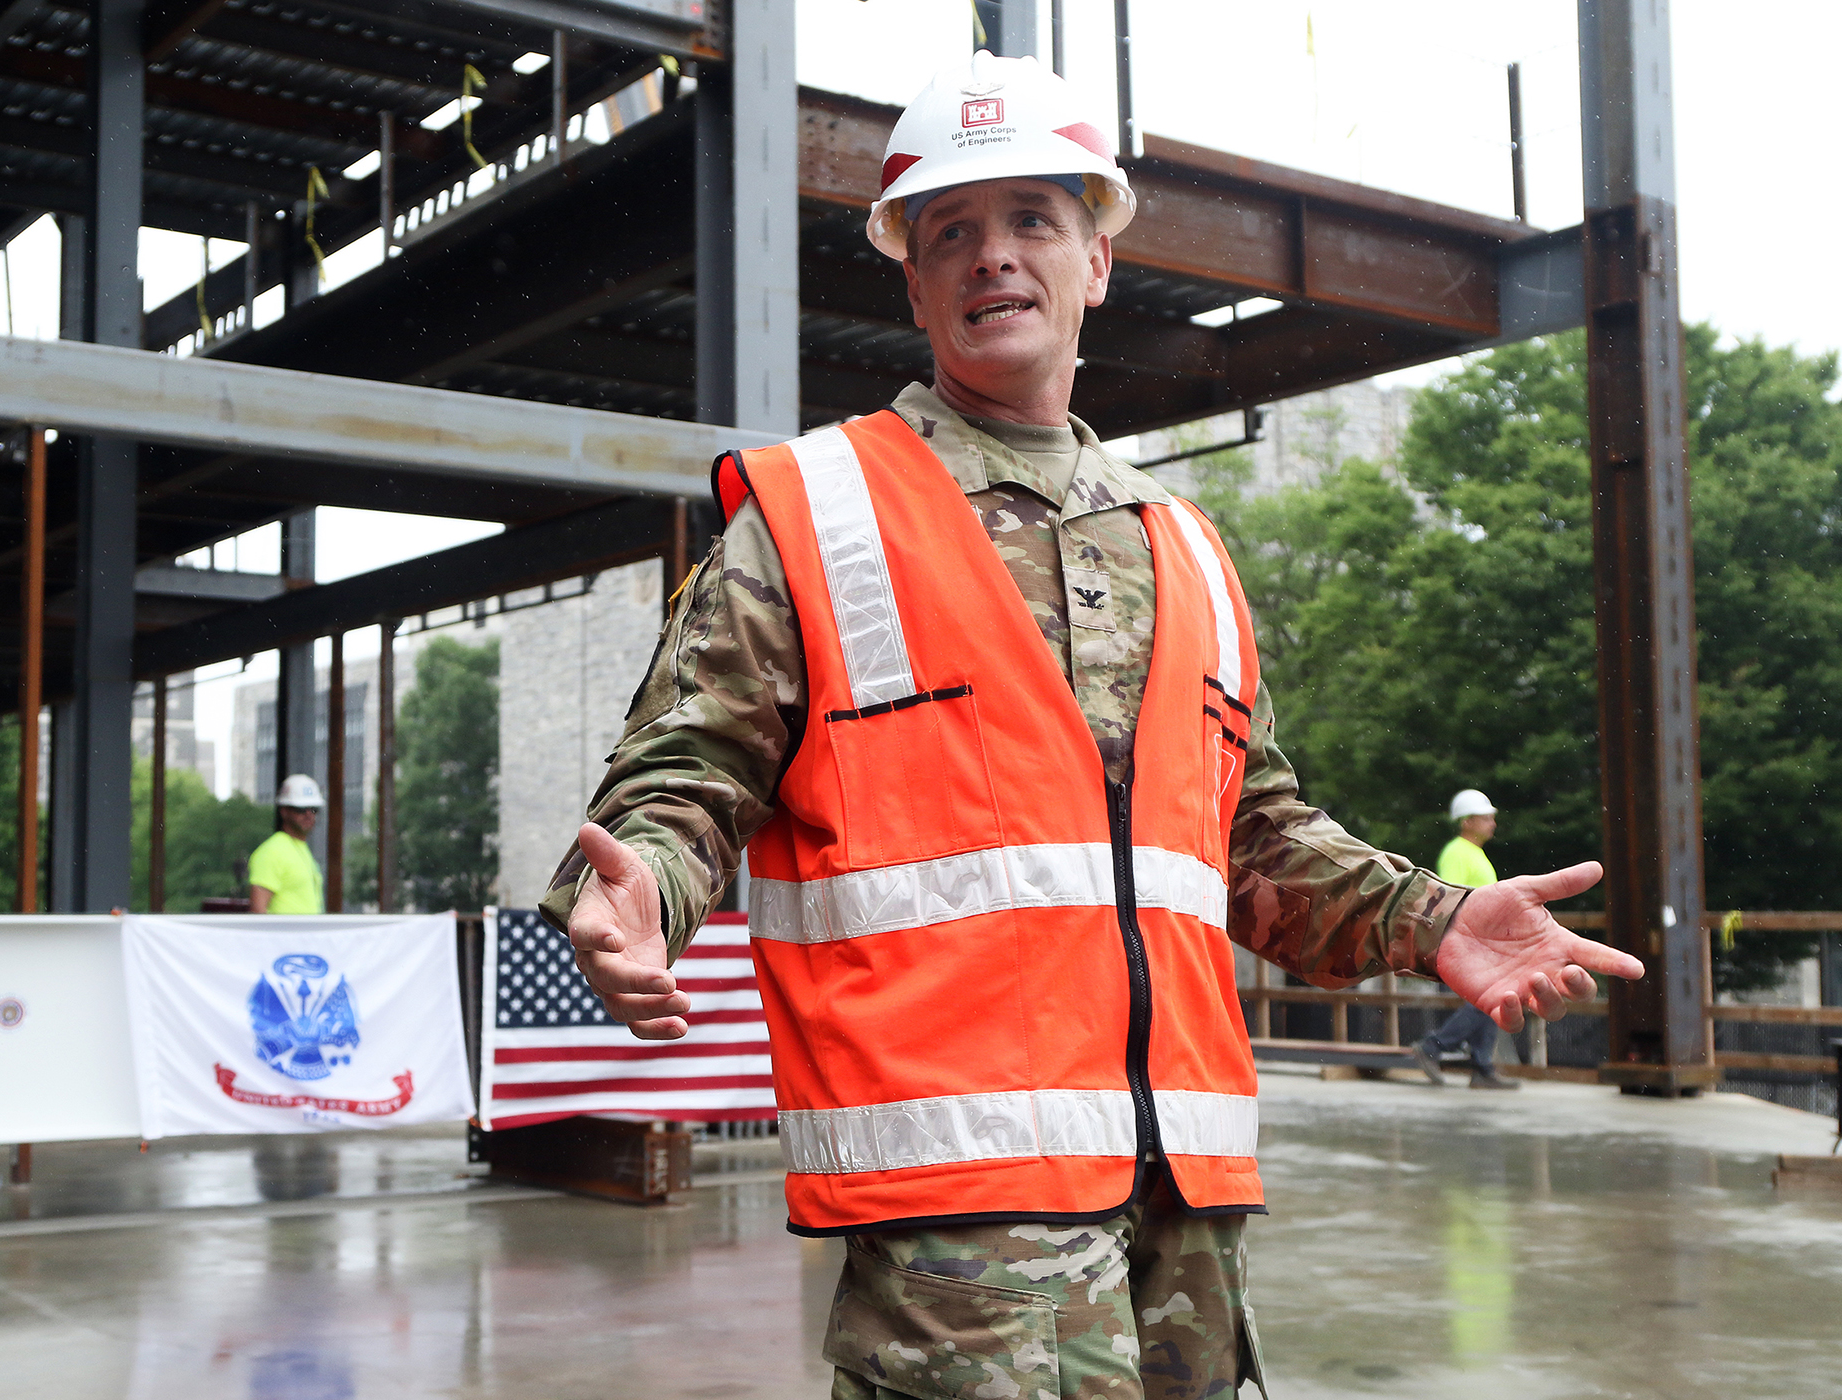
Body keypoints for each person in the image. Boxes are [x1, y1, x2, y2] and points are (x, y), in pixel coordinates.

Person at [542, 52, 1643, 1399]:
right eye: (951, 228)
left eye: (1030, 221)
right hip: (963, 1217)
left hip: (1181, 1201)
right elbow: (690, 767)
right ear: (913, 276)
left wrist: (1436, 918)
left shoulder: (1184, 547)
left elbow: (1250, 837)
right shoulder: (824, 517)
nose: (991, 256)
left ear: (1097, 260)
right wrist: (641, 887)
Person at [1413, 790, 1520, 1090]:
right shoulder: (1457, 853)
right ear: (1467, 821)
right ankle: (1433, 1047)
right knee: (1486, 1000)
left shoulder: (1474, 853)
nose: (1492, 824)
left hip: (1481, 942)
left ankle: (1481, 1067)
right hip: (1467, 941)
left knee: (1490, 999)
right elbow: (1449, 896)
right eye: (1486, 818)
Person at [248, 774, 325, 914]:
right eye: (301, 809)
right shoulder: (272, 852)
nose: (308, 814)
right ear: (284, 811)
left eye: (313, 809)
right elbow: (258, 911)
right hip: (285, 935)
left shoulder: (300, 848)